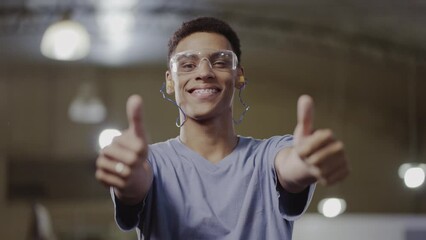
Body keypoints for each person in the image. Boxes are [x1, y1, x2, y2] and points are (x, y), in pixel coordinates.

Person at [95, 17, 349, 240]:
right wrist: (126, 176)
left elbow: (291, 166)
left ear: (239, 76)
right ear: (170, 81)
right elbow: (137, 182)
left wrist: (307, 162)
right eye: (187, 65)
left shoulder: (269, 155)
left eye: (219, 62)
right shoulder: (152, 162)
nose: (204, 72)